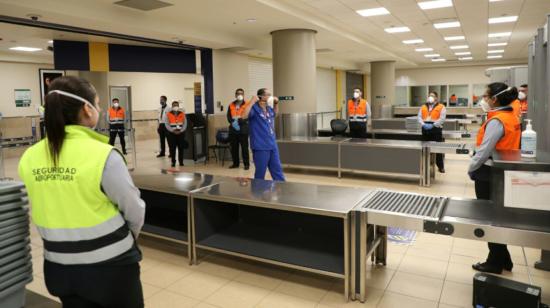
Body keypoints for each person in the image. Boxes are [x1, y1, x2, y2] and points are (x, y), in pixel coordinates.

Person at [18, 76, 145, 307]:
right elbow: (134, 209)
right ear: (87, 109)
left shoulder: (29, 157)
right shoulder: (103, 155)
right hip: (111, 267)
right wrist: (129, 238)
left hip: (58, 266)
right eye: (97, 103)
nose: (100, 108)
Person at [469, 82, 521, 274]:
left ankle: (494, 262)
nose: (484, 99)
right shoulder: (511, 117)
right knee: (498, 216)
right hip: (502, 171)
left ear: (495, 98)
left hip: (488, 173)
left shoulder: (497, 120)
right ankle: (505, 259)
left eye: (486, 95)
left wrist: (471, 166)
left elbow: (484, 150)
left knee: (489, 218)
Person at [242, 88, 285, 181]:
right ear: (261, 96)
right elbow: (244, 115)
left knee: (277, 170)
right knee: (260, 172)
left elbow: (275, 114)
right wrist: (251, 102)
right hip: (260, 146)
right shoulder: (254, 109)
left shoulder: (268, 108)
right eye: (268, 94)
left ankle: (282, 189)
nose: (270, 96)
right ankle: (258, 192)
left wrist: (276, 104)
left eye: (270, 94)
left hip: (272, 145)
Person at [418, 91, 447, 173]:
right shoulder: (423, 106)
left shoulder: (441, 107)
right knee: (424, 148)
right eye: (430, 95)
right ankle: (424, 165)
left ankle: (440, 166)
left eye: (433, 96)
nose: (431, 97)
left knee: (438, 149)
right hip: (425, 129)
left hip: (436, 129)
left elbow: (442, 119)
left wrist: (433, 125)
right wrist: (423, 124)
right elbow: (419, 117)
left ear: (436, 98)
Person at [227, 88, 250, 170]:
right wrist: (232, 122)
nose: (239, 95)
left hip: (243, 129)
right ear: (235, 95)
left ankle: (246, 164)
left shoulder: (247, 104)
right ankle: (235, 163)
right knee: (234, 148)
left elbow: (249, 116)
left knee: (244, 148)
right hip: (233, 129)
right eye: (238, 93)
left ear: (243, 95)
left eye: (241, 93)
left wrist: (241, 121)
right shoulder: (231, 105)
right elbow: (228, 116)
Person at [165, 101, 187, 167]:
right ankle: (173, 162)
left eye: (177, 105)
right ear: (172, 107)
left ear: (178, 106)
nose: (175, 107)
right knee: (172, 148)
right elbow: (167, 124)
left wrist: (181, 130)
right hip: (172, 134)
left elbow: (185, 123)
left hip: (180, 133)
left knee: (181, 148)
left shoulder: (182, 114)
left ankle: (181, 162)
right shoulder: (168, 114)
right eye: (174, 105)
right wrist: (172, 131)